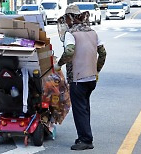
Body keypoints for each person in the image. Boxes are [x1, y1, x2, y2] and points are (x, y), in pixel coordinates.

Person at [54, 5, 107, 150]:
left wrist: (59, 64)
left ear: (70, 18)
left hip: (78, 79)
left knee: (79, 109)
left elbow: (69, 51)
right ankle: (84, 135)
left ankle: (86, 140)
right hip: (91, 79)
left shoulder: (70, 34)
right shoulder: (93, 32)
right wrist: (96, 70)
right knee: (84, 108)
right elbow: (103, 54)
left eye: (66, 18)